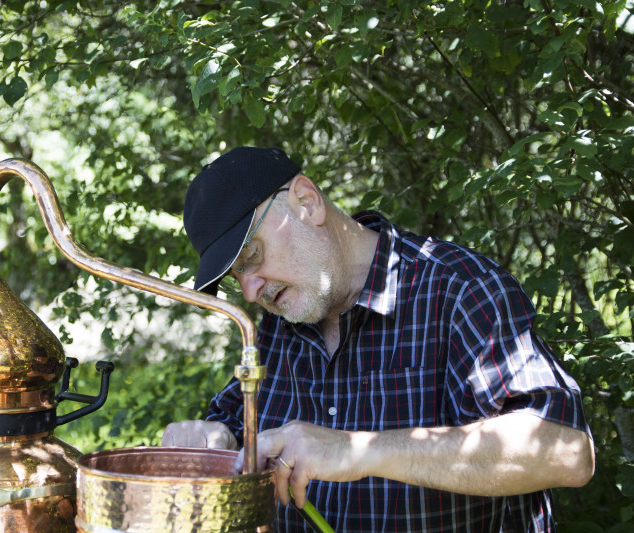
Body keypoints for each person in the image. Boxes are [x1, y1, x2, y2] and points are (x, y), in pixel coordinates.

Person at [162, 146, 595, 531]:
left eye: (251, 255)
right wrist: (214, 437)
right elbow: (236, 427)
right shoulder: (281, 323)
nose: (252, 290)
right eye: (237, 278)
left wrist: (360, 451)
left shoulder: (458, 290)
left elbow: (567, 451)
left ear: (306, 202)